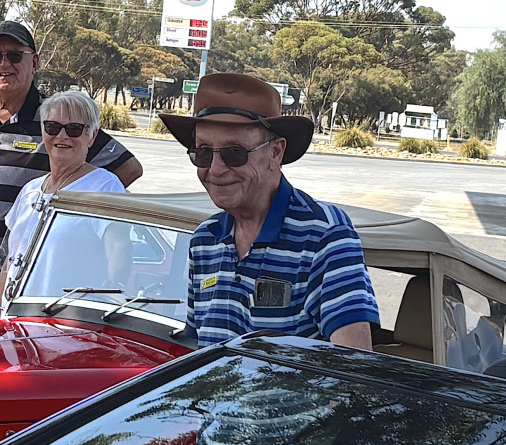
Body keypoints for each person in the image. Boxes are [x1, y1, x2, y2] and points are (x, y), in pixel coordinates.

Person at [0, 20, 142, 324]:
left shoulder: (57, 117)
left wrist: (74, 215)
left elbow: (128, 168)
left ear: (34, 62)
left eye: (15, 55)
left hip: (28, 293)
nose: (4, 64)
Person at [160, 72, 378, 349]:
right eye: (203, 152)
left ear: (276, 153)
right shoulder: (205, 240)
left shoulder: (324, 235)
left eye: (234, 153)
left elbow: (352, 362)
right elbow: (198, 349)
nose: (214, 169)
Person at [0, 88, 128, 311]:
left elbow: (120, 253)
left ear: (92, 136)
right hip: (14, 322)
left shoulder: (104, 186)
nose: (62, 136)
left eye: (74, 129)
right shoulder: (30, 190)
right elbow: (9, 265)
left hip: (64, 326)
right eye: (53, 127)